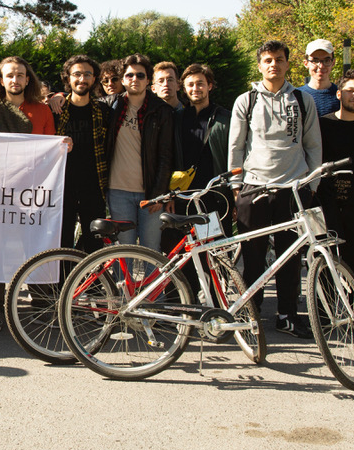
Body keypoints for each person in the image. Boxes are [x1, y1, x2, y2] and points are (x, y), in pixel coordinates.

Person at [228, 40, 321, 338]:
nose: (274, 65)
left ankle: (288, 315)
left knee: (290, 257)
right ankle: (252, 313)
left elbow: (313, 145)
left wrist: (311, 184)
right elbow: (236, 146)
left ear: (287, 64)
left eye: (279, 59)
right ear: (259, 65)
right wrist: (235, 185)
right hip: (254, 187)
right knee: (253, 257)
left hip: (293, 189)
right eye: (267, 60)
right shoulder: (246, 100)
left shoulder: (303, 101)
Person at [0, 56, 60, 332]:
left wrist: (62, 147)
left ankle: (42, 305)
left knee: (35, 248)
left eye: (20, 75)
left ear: (27, 79)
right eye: (9, 75)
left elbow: (49, 151)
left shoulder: (42, 111)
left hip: (32, 194)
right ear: (0, 80)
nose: (15, 80)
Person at [102, 55, 176, 252]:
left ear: (148, 80)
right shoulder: (110, 106)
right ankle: (123, 285)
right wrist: (57, 96)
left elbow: (166, 156)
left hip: (150, 193)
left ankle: (152, 285)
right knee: (123, 251)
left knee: (151, 249)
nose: (135, 79)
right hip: (118, 192)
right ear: (123, 79)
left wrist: (159, 193)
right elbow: (79, 101)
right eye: (129, 75)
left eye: (140, 75)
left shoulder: (162, 111)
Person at [317, 70, 354, 285]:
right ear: (339, 94)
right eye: (350, 90)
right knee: (325, 266)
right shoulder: (322, 125)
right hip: (324, 207)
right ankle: (324, 317)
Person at [56, 55, 110, 254]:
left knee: (94, 243)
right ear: (67, 78)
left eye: (87, 74)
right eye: (76, 74)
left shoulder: (103, 111)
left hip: (94, 187)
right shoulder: (57, 109)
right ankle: (63, 285)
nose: (82, 79)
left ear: (94, 79)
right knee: (62, 241)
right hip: (63, 187)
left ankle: (93, 286)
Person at [177, 63, 232, 224]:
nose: (195, 88)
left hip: (216, 195)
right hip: (184, 196)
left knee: (220, 245)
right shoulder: (176, 119)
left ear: (209, 86)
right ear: (184, 89)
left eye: (200, 83)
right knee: (189, 247)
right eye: (190, 84)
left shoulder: (225, 118)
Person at [298, 39, 340, 116]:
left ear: (333, 62)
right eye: (315, 60)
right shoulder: (296, 96)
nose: (321, 66)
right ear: (306, 63)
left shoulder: (341, 96)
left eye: (326, 60)